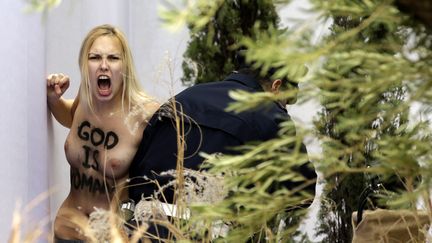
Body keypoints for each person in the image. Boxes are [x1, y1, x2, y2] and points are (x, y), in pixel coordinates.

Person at [128, 64, 316, 205]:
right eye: (287, 101)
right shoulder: (272, 115)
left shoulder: (183, 97)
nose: (285, 109)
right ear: (276, 87)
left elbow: (137, 170)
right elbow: (303, 192)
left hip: (146, 230)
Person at [46, 24, 159, 241]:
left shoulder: (143, 114)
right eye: (95, 57)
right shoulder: (86, 98)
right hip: (66, 229)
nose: (104, 66)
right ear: (84, 63)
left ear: (125, 66)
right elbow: (70, 116)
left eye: (113, 58)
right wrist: (53, 99)